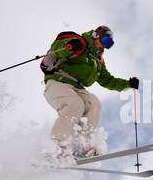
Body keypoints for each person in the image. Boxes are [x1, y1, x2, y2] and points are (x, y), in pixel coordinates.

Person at [41, 25, 139, 159]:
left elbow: (107, 80)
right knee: (75, 104)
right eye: (105, 41)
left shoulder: (97, 61)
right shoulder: (79, 42)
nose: (105, 46)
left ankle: (81, 145)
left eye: (109, 45)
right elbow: (57, 48)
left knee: (93, 104)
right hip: (57, 83)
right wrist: (69, 45)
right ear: (95, 36)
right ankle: (57, 147)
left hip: (76, 88)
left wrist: (128, 84)